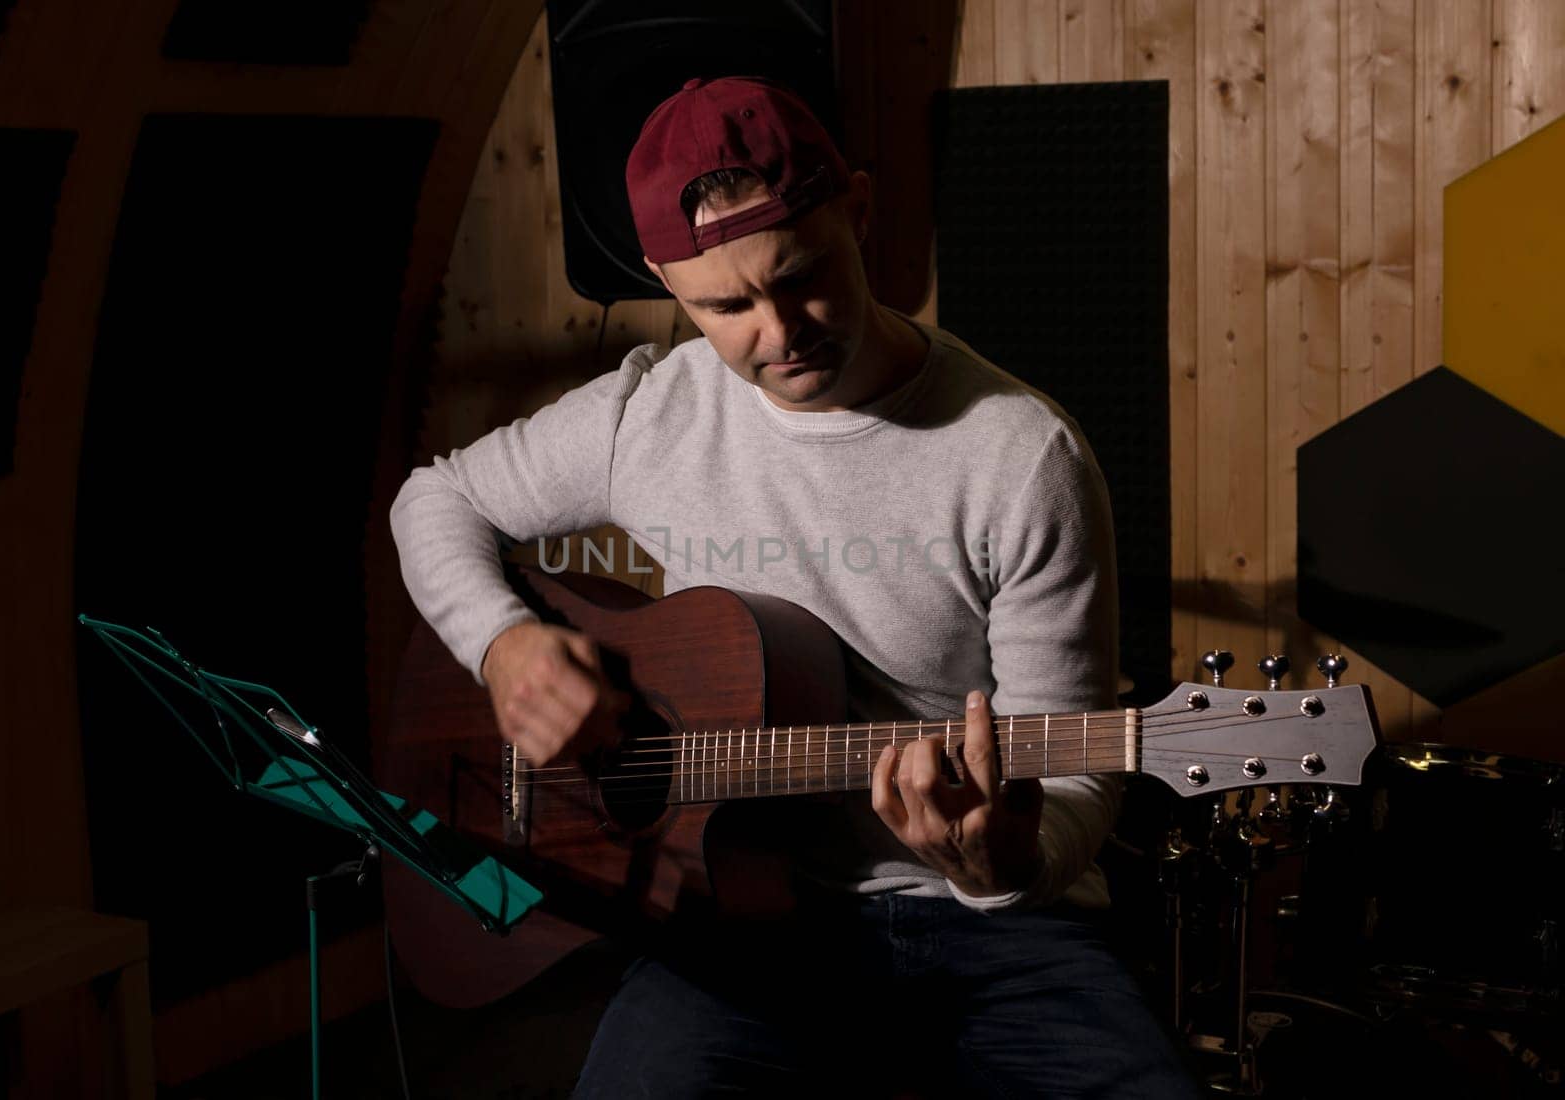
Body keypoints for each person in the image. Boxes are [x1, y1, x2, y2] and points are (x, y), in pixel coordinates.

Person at [390, 75, 1199, 1097]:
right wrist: (502, 643)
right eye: (724, 306)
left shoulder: (1018, 454)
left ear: (859, 211)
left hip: (996, 931)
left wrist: (996, 857)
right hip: (734, 922)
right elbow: (434, 501)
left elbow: (1079, 767)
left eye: (802, 274)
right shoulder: (649, 414)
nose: (777, 332)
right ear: (664, 281)